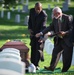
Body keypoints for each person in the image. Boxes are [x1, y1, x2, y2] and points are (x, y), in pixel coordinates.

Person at [35, 6, 73, 72]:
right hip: (59, 39)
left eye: (55, 14)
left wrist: (65, 32)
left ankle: (65, 70)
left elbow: (72, 29)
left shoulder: (67, 18)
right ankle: (51, 67)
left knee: (67, 56)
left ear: (59, 13)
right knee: (55, 53)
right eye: (53, 14)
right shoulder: (55, 19)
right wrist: (41, 33)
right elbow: (50, 27)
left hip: (67, 40)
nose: (54, 15)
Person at [28, 2, 47, 70]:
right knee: (33, 48)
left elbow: (43, 26)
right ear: (34, 8)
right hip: (33, 33)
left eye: (39, 9)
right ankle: (32, 63)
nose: (37, 10)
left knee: (38, 49)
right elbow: (30, 21)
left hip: (40, 33)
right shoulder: (32, 11)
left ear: (41, 8)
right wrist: (29, 29)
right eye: (36, 9)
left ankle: (36, 64)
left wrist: (41, 36)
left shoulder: (44, 15)